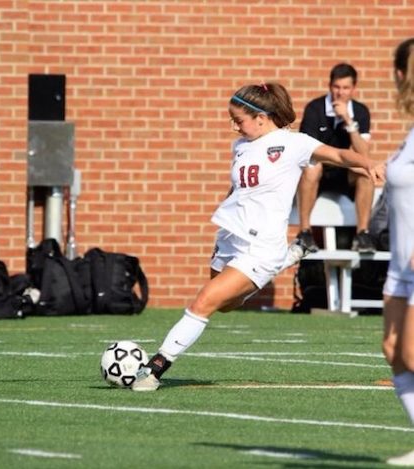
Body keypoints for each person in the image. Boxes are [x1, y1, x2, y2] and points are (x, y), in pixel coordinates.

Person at [132, 82, 376, 392]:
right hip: (230, 237)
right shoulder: (242, 146)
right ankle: (290, 257)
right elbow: (239, 190)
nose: (234, 126)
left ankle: (154, 369)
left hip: (262, 246)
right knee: (225, 305)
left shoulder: (294, 143)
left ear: (262, 117)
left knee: (203, 302)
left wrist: (368, 163)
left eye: (239, 119)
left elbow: (339, 155)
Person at [378, 38, 414, 467]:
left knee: (411, 352)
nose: (396, 78)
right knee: (392, 349)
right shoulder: (409, 134)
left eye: (399, 69)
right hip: (400, 264)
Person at [296, 63, 376, 253]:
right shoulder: (314, 109)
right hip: (318, 172)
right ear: (330, 86)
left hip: (345, 173)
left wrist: (349, 122)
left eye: (346, 88)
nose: (340, 93)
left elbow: (363, 154)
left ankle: (362, 235)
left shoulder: (361, 112)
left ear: (353, 88)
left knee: (365, 172)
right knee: (312, 167)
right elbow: (308, 151)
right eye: (336, 87)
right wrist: (338, 159)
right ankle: (304, 233)